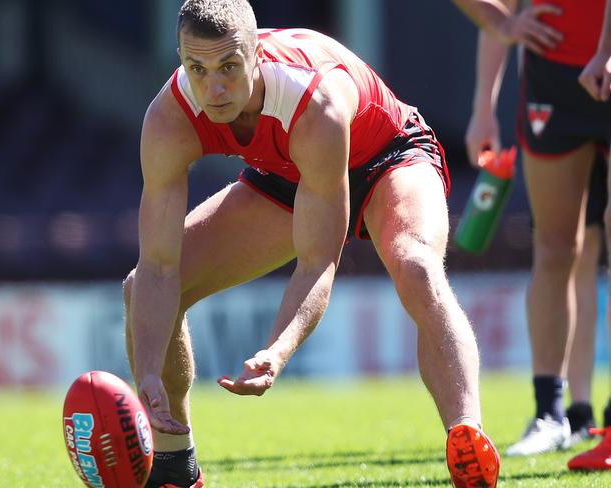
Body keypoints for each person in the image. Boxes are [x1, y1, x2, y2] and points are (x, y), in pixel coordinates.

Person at [123, 1, 501, 486]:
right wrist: (148, 372)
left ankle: (467, 438)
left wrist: (277, 351)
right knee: (141, 291)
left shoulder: (311, 100)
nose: (213, 88)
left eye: (229, 67)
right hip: (290, 174)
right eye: (197, 68)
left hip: (388, 156)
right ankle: (176, 467)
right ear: (179, 59)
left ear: (256, 53)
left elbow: (319, 261)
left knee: (416, 267)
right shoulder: (169, 119)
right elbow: (157, 267)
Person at [454, 0, 611, 458]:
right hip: (554, 80)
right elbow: (494, 9)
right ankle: (551, 414)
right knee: (556, 247)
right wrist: (483, 106)